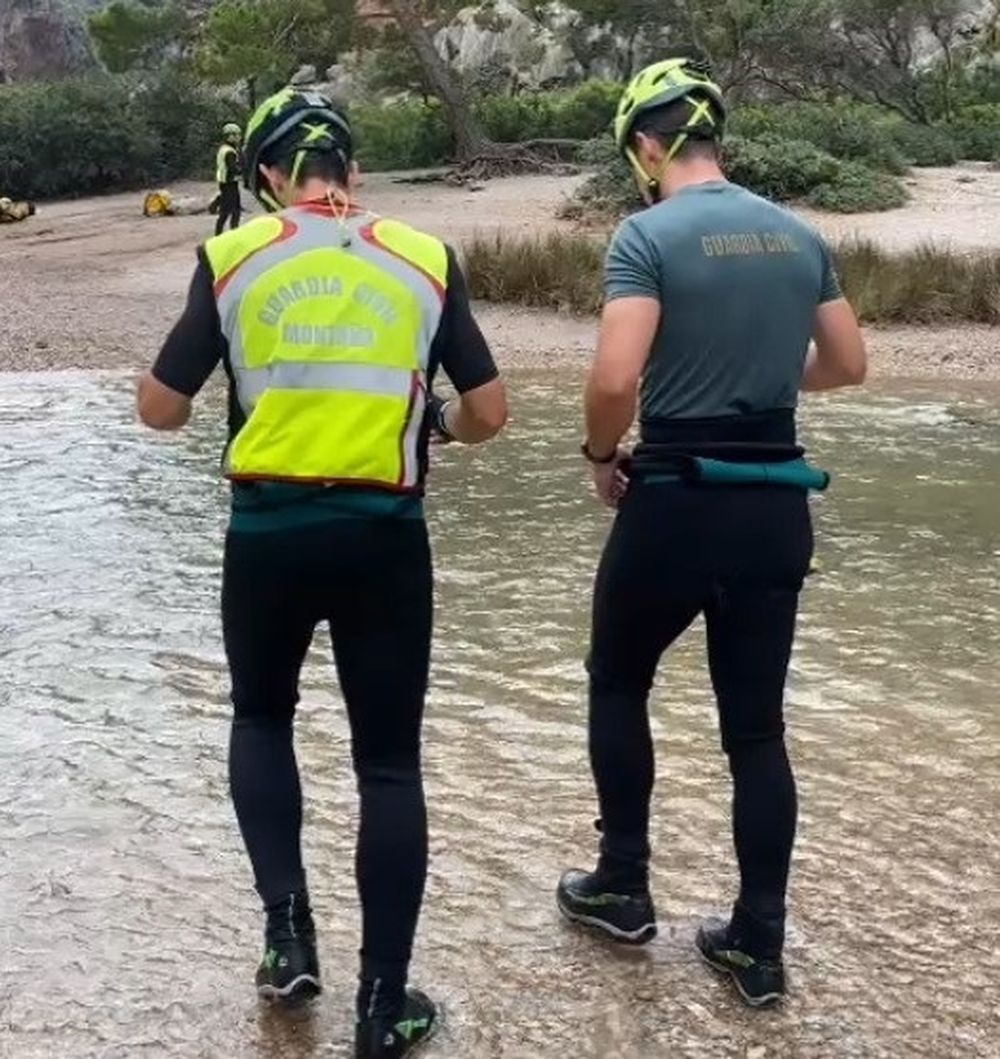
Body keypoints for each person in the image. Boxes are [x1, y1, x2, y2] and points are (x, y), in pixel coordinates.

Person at [137, 88, 507, 1057]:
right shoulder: (425, 258)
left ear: (265, 176)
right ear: (351, 169)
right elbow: (490, 411)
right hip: (386, 536)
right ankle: (385, 1007)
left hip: (267, 535)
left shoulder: (231, 257)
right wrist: (435, 425)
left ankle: (288, 943)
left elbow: (160, 410)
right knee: (388, 764)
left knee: (261, 718)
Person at [556, 58, 867, 1008]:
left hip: (678, 500)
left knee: (618, 677)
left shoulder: (645, 235)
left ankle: (623, 886)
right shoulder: (800, 233)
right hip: (775, 502)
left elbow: (615, 380)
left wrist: (600, 455)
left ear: (646, 148)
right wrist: (767, 383)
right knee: (757, 729)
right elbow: (848, 364)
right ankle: (756, 945)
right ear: (710, 141)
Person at [214, 122, 243, 235]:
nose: (238, 137)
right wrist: (243, 170)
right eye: (236, 135)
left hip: (225, 183)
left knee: (227, 211)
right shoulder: (230, 152)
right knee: (232, 212)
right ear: (230, 136)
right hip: (229, 183)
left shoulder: (223, 148)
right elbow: (233, 168)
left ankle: (220, 234)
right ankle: (229, 234)